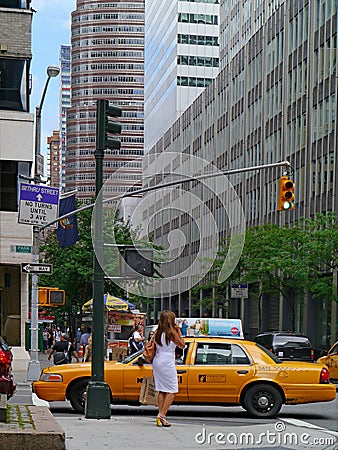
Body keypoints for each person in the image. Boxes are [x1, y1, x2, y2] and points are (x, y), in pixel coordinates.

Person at [152, 310, 185, 427]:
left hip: (157, 360)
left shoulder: (157, 332)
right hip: (167, 361)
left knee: (162, 389)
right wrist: (179, 332)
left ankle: (161, 415)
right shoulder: (172, 333)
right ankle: (162, 415)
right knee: (172, 390)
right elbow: (182, 344)